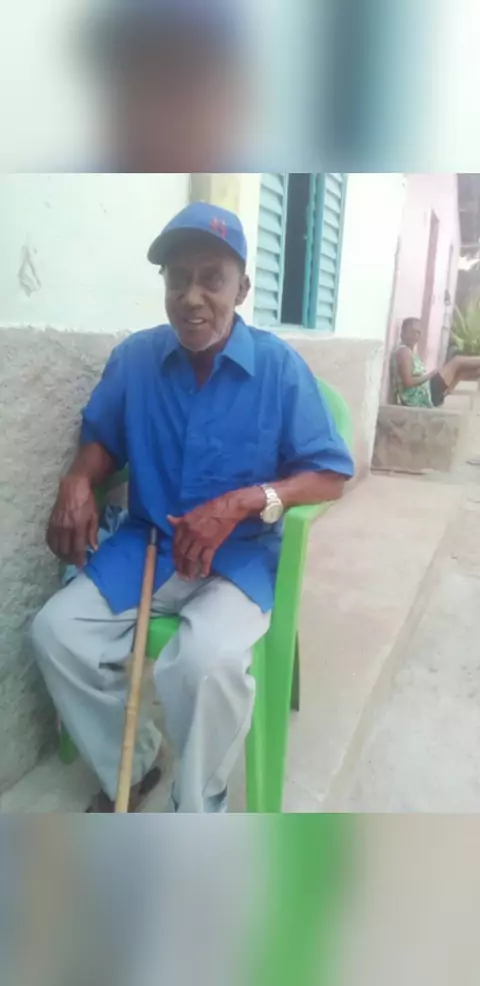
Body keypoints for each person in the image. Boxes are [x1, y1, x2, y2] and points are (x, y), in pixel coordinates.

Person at [31, 202, 354, 813]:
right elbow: (103, 439)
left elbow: (329, 474)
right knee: (57, 633)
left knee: (203, 667)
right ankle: (134, 763)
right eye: (177, 279)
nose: (192, 298)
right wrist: (78, 478)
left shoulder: (279, 368)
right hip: (148, 544)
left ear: (242, 288)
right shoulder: (136, 359)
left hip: (240, 559)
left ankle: (198, 808)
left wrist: (243, 503)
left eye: (212, 279)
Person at [392, 317, 480, 408]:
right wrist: (429, 375)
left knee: (464, 371)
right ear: (403, 333)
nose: (416, 336)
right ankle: (445, 393)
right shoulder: (404, 352)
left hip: (426, 392)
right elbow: (408, 382)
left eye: (418, 332)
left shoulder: (410, 351)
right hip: (421, 397)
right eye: (412, 332)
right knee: (457, 360)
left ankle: (448, 392)